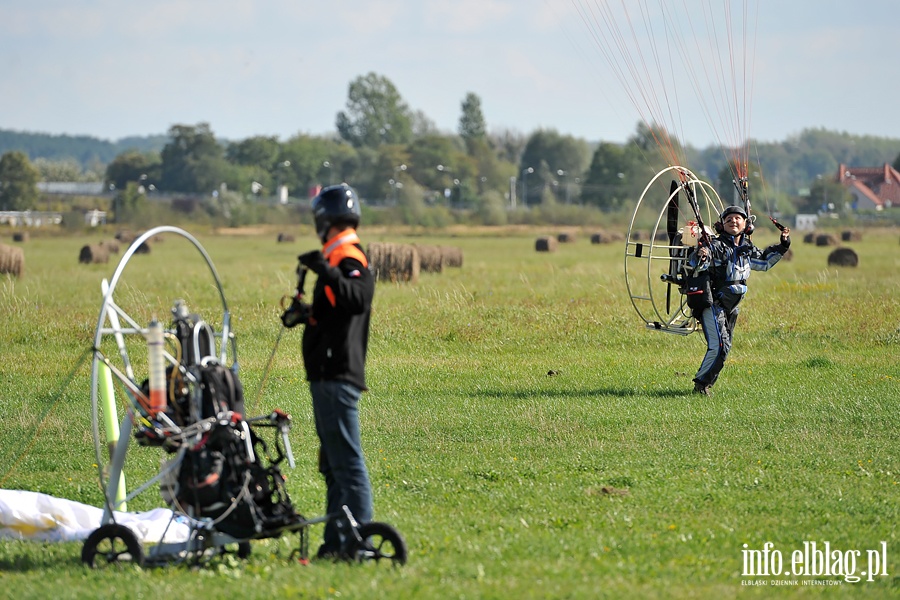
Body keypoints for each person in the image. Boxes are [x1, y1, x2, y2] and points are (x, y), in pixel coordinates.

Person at [281, 183, 375, 558]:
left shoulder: (348, 256)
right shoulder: (338, 257)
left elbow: (357, 298)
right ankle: (336, 544)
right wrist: (308, 315)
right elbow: (337, 314)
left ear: (326, 220)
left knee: (348, 466)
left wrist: (325, 270)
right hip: (327, 376)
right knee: (334, 467)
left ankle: (360, 544)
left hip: (337, 377)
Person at [687, 205, 790, 396]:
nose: (733, 221)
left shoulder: (747, 248)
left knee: (724, 349)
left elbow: (765, 262)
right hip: (714, 304)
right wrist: (701, 255)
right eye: (729, 219)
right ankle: (701, 385)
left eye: (738, 218)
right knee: (719, 346)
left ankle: (704, 384)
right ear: (722, 225)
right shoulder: (716, 246)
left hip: (731, 308)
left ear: (746, 224)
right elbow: (698, 262)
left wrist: (783, 245)